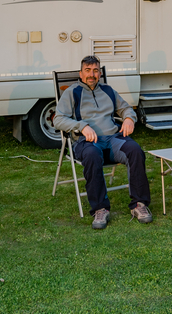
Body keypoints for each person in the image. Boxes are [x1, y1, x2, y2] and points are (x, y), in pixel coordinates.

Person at [53, 56, 153, 229]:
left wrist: (129, 118)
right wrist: (82, 126)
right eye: (87, 70)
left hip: (113, 139)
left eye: (95, 70)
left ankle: (139, 204)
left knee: (135, 150)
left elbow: (126, 108)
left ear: (100, 73)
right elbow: (58, 119)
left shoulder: (108, 90)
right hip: (87, 141)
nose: (91, 74)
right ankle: (100, 209)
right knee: (92, 155)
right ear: (81, 73)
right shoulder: (72, 92)